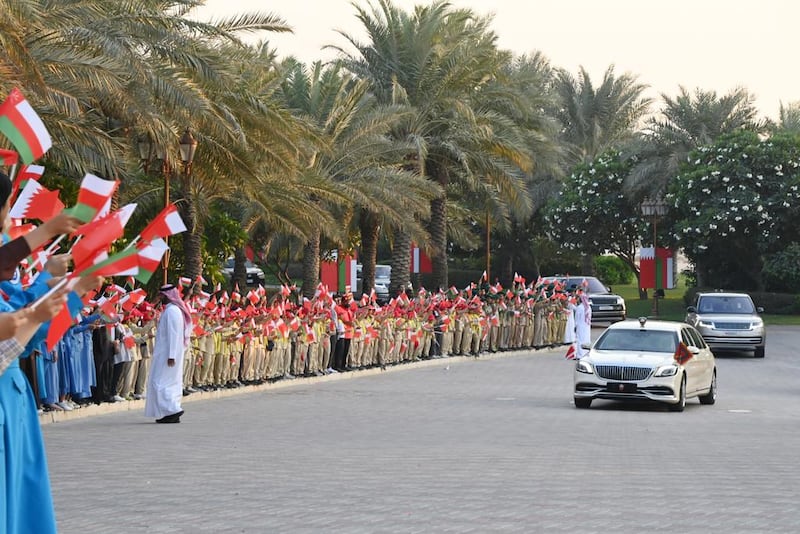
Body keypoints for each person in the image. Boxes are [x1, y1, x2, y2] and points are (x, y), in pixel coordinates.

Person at [145, 284, 192, 423]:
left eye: (161, 296)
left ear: (167, 296)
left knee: (159, 382)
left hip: (168, 354)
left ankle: (172, 409)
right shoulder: (172, 310)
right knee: (169, 382)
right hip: (168, 353)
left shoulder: (172, 311)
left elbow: (173, 334)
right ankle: (170, 411)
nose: (160, 298)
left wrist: (171, 355)